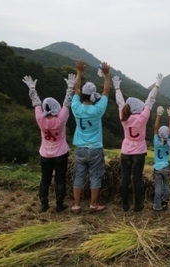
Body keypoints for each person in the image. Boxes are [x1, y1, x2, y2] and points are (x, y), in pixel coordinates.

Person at [22, 74, 74, 213]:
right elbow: (67, 103)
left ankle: (44, 204)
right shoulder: (60, 119)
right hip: (61, 154)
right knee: (60, 180)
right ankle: (59, 205)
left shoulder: (40, 119)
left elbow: (37, 104)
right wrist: (70, 87)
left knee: (45, 179)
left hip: (45, 154)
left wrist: (32, 89)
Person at [113, 73, 163, 212]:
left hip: (125, 151)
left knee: (125, 178)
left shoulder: (124, 118)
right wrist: (157, 85)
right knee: (137, 179)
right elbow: (150, 100)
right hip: (139, 152)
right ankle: (138, 205)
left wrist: (117, 88)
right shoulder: (143, 117)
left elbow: (120, 102)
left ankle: (125, 205)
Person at [71, 60, 110, 214]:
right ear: (93, 95)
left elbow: (76, 89)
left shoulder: (76, 107)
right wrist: (106, 75)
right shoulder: (97, 110)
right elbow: (106, 92)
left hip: (80, 148)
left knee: (79, 175)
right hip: (95, 148)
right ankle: (94, 204)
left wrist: (79, 72)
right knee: (95, 176)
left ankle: (76, 205)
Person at [152, 105, 170, 211]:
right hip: (166, 167)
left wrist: (159, 115)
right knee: (166, 186)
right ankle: (165, 201)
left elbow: (155, 128)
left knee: (158, 187)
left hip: (157, 168)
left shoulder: (157, 142)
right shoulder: (169, 143)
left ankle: (157, 206)